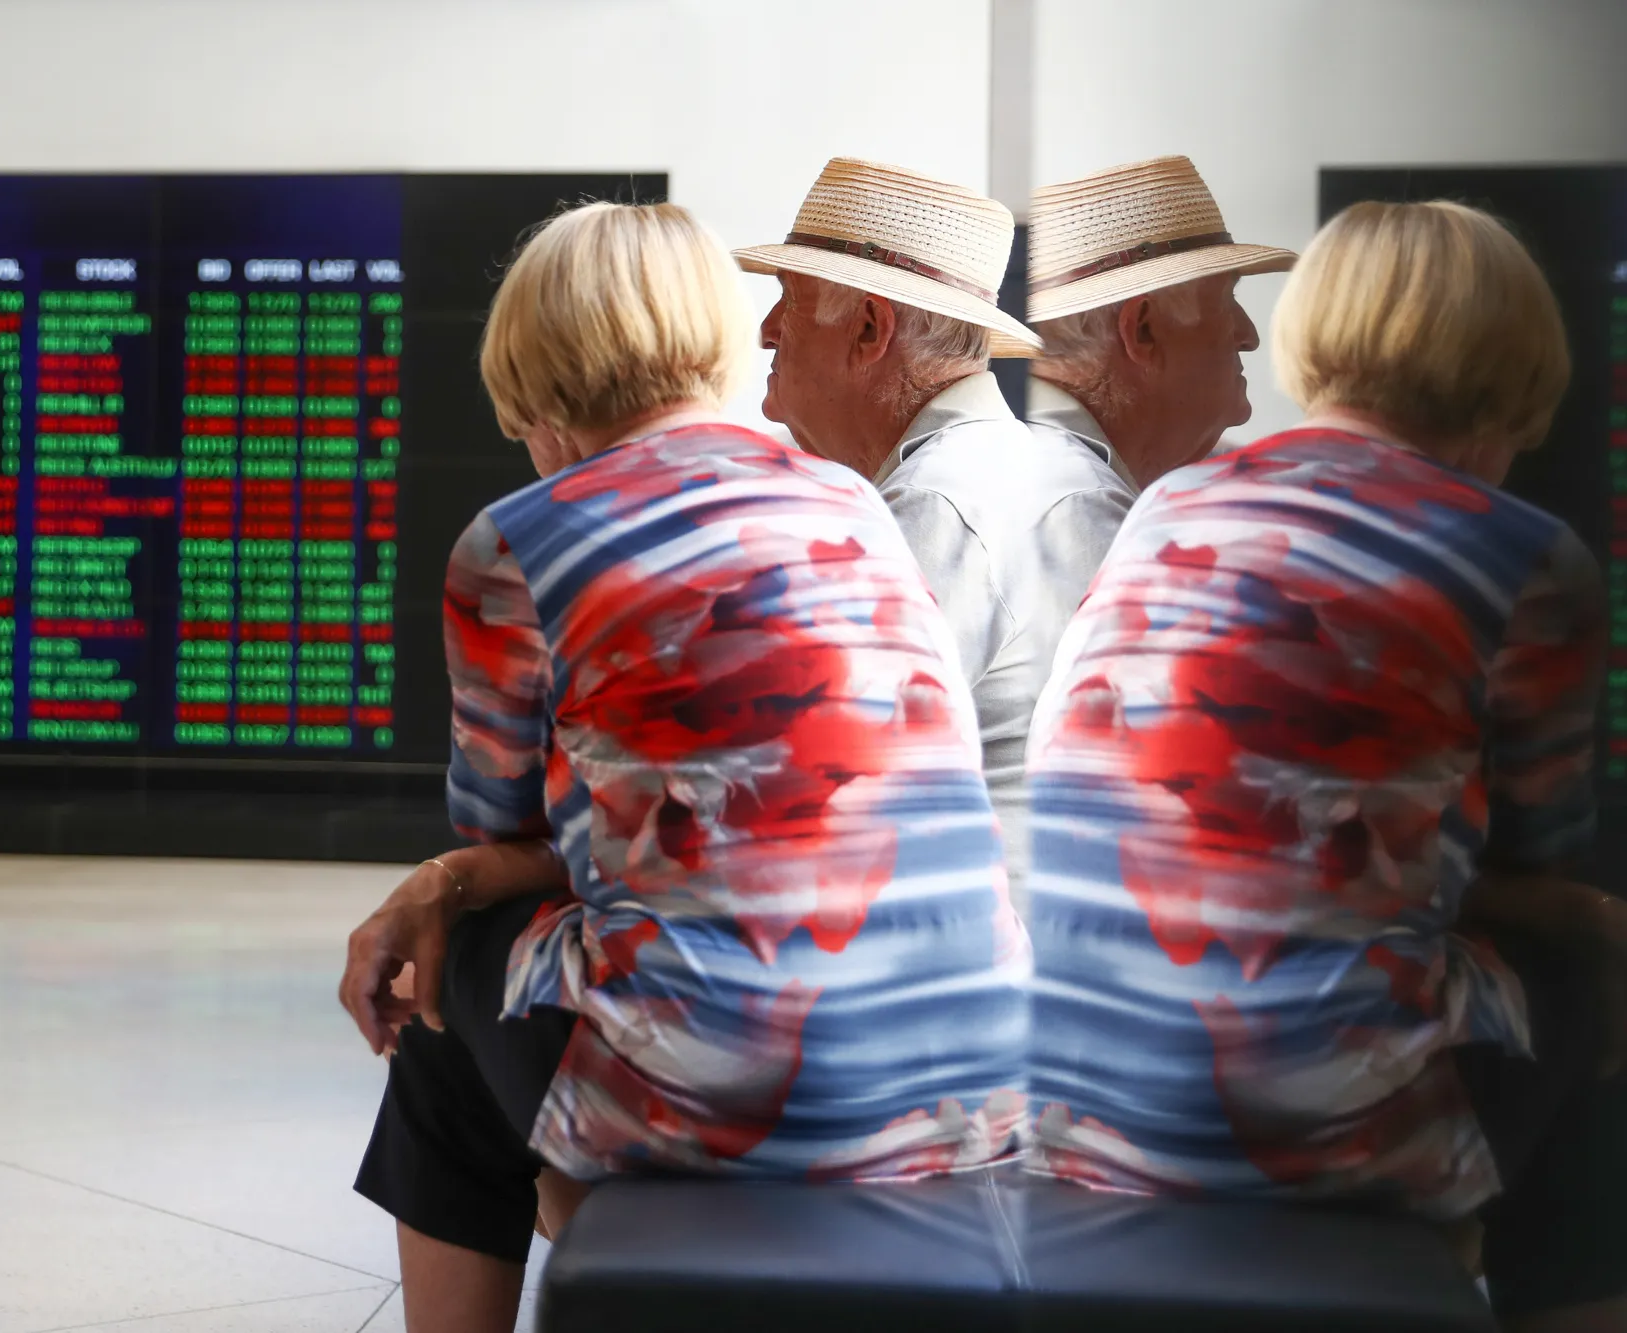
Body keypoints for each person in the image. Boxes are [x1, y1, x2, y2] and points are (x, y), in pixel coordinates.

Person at [341, 200, 1028, 1333]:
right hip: (968, 1075)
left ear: (535, 390)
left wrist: (439, 887)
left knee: (449, 984)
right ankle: (610, 1233)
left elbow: (501, 826)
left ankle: (588, 1246)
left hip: (733, 1097)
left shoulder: (514, 541)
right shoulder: (852, 503)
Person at [1024, 199, 1627, 1331]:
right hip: (1317, 1136)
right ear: (1510, 385)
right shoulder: (1529, 560)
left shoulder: (1167, 507)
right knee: (1590, 972)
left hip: (1081, 1110)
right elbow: (1535, 864)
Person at [739, 156, 1103, 908]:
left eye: (789, 301)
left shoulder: (938, 505)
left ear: (870, 328)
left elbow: (817, 779)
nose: (765, 330)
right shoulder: (1025, 470)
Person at [1024, 155, 1295, 491]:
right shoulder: (1080, 503)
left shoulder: (1038, 464)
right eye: (1226, 301)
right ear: (1143, 330)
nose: (1249, 336)